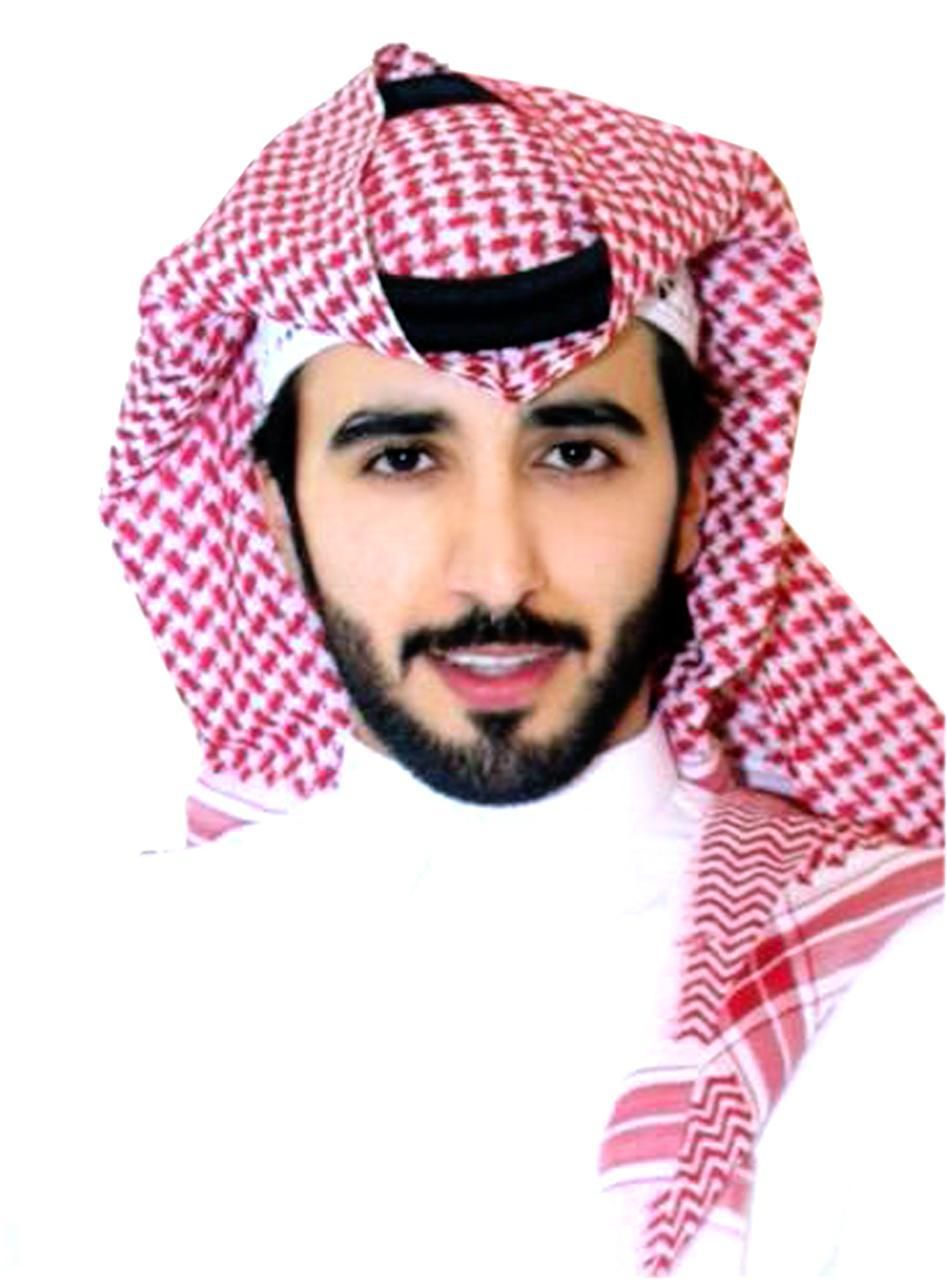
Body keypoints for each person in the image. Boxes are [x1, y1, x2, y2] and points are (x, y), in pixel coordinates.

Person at [99, 42, 943, 1277]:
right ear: (275, 512)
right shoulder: (98, 990)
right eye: (401, 458)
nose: (498, 573)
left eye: (573, 454)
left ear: (695, 496)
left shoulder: (898, 986)